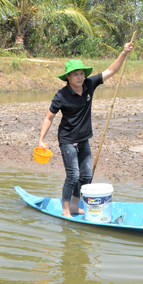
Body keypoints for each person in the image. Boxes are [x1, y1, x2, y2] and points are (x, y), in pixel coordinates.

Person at [38, 43, 134, 217]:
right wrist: (41, 140)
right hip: (67, 139)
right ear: (68, 77)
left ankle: (75, 206)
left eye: (82, 74)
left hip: (83, 139)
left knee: (87, 175)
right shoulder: (61, 95)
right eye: (76, 74)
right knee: (73, 175)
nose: (80, 77)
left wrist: (124, 52)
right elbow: (48, 117)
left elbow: (111, 71)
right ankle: (66, 209)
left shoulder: (90, 84)